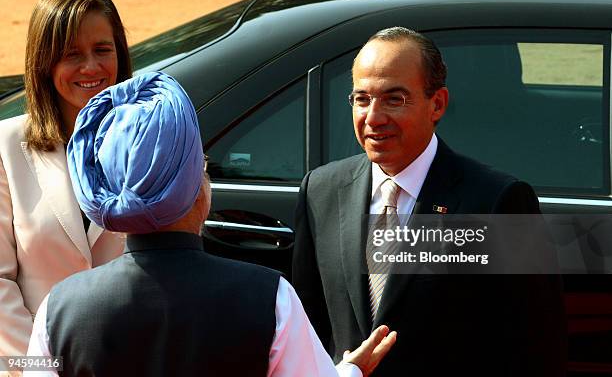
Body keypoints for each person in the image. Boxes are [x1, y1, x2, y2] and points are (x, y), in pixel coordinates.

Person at [25, 71, 396, 377]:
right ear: (195, 189)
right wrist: (349, 372)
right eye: (202, 165)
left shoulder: (57, 310)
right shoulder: (270, 298)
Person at [292, 27, 567, 376]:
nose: (373, 118)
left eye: (394, 99)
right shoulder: (321, 190)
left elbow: (538, 349)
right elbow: (308, 333)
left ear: (436, 104)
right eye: (362, 99)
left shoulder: (497, 201)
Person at [0, 0, 131, 374]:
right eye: (72, 54)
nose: (91, 68)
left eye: (102, 50)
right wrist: (46, 368)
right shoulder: (6, 147)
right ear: (44, 62)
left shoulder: (148, 140)